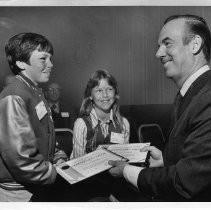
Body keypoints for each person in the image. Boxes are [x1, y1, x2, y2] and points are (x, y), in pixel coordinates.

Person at [108, 14, 211, 201]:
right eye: (159, 46)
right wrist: (165, 160)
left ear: (195, 45)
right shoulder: (189, 95)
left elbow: (186, 182)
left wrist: (126, 171)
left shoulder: (207, 98)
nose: (158, 53)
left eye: (167, 43)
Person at [0, 32, 68, 201]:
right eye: (43, 59)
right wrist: (51, 172)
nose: (51, 64)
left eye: (51, 59)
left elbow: (42, 134)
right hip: (18, 193)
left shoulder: (34, 91)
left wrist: (57, 155)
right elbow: (20, 157)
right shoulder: (14, 95)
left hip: (35, 186)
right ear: (21, 62)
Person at [71, 69, 130, 159]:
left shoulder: (123, 123)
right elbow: (77, 163)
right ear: (90, 95)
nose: (105, 95)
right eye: (99, 91)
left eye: (109, 89)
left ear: (115, 93)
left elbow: (125, 159)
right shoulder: (81, 125)